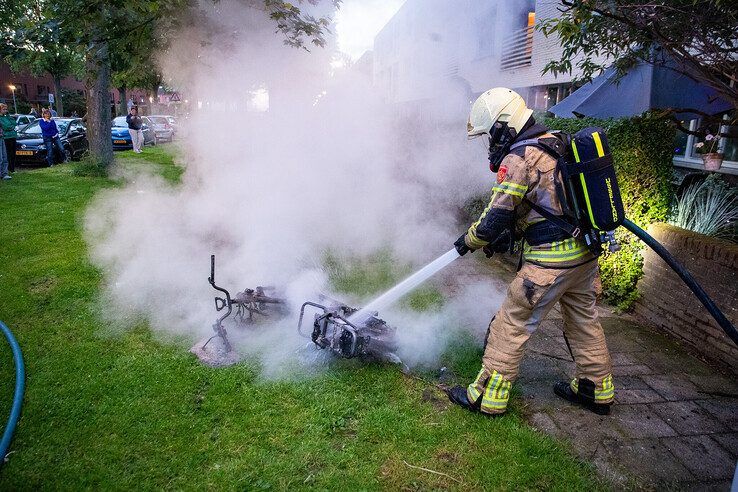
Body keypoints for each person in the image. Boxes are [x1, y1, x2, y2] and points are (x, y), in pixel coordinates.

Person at [446, 88, 615, 416]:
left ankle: (486, 396)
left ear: (502, 127)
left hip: (550, 262)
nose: (490, 144)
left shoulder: (519, 157)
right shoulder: (555, 142)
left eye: (489, 135)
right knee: (583, 321)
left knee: (512, 320)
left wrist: (469, 240)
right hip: (584, 256)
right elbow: (544, 203)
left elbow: (495, 215)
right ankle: (596, 390)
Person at [0, 103, 17, 174]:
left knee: (13, 154)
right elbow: (5, 126)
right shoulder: (0, 118)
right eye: (4, 109)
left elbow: (14, 123)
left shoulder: (7, 116)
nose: (5, 111)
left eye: (6, 109)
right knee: (6, 155)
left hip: (13, 136)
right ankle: (5, 170)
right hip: (6, 137)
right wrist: (11, 127)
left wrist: (8, 115)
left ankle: (12, 169)